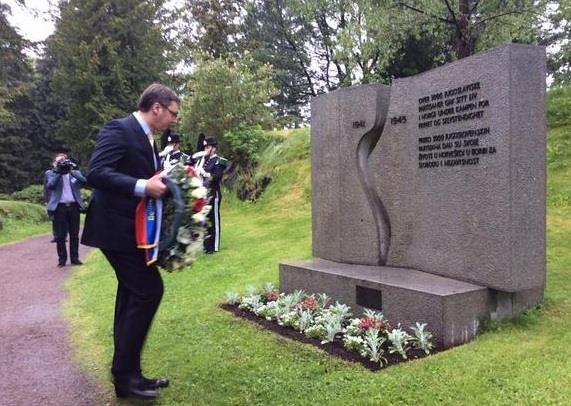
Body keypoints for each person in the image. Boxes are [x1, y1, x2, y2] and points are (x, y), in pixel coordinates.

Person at [81, 83, 179, 400]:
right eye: (173, 113)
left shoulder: (149, 138)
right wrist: (143, 186)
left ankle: (129, 376)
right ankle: (125, 376)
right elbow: (96, 173)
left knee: (131, 295)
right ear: (157, 107)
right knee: (149, 291)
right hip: (114, 229)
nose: (174, 120)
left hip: (130, 232)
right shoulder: (119, 129)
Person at [45, 153, 86, 266]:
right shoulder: (51, 174)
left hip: (74, 206)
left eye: (63, 161)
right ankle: (62, 259)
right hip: (60, 207)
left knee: (74, 234)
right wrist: (59, 172)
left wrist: (71, 171)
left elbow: (84, 181)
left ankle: (75, 258)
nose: (61, 163)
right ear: (55, 164)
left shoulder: (74, 173)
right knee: (60, 235)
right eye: (59, 162)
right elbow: (50, 186)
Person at [194, 136, 227, 253]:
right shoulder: (204, 160)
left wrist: (205, 173)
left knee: (214, 219)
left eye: (208, 147)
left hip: (214, 192)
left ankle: (214, 246)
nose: (206, 149)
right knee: (205, 219)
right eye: (205, 147)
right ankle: (206, 245)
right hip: (204, 193)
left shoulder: (219, 160)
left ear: (214, 148)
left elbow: (217, 176)